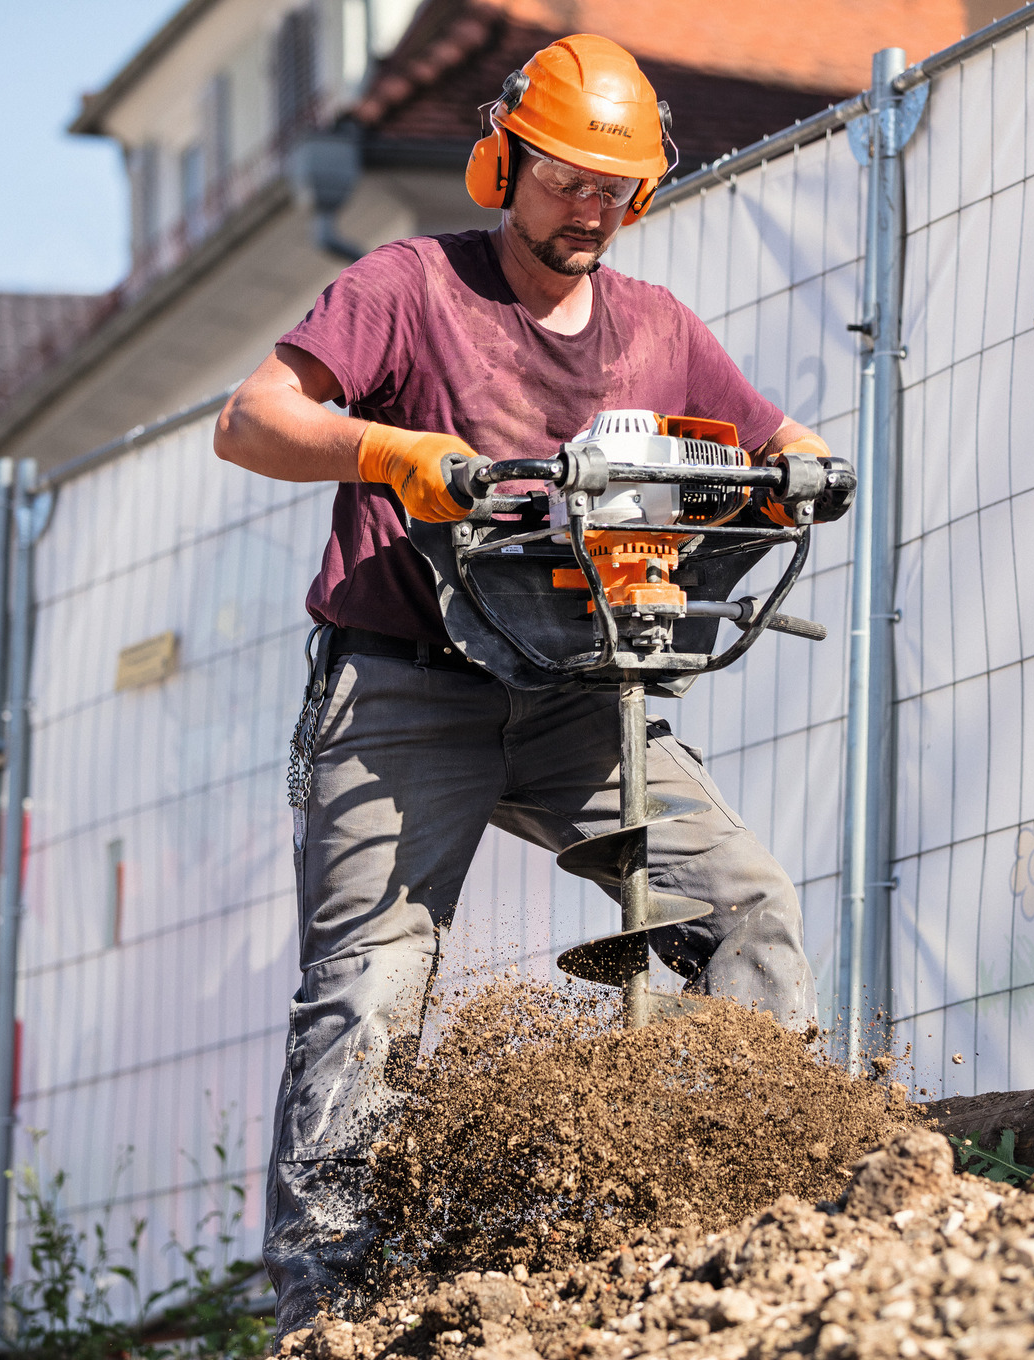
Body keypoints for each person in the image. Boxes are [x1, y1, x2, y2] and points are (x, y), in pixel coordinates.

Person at [213, 32, 837, 1340]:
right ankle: (329, 1319)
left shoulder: (658, 330)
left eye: (616, 188)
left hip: (575, 692)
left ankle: (735, 1231)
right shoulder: (409, 289)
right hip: (404, 691)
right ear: (502, 161)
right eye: (564, 182)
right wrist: (393, 453)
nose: (591, 213)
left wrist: (808, 468)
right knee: (368, 997)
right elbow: (250, 417)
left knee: (746, 909)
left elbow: (785, 442)